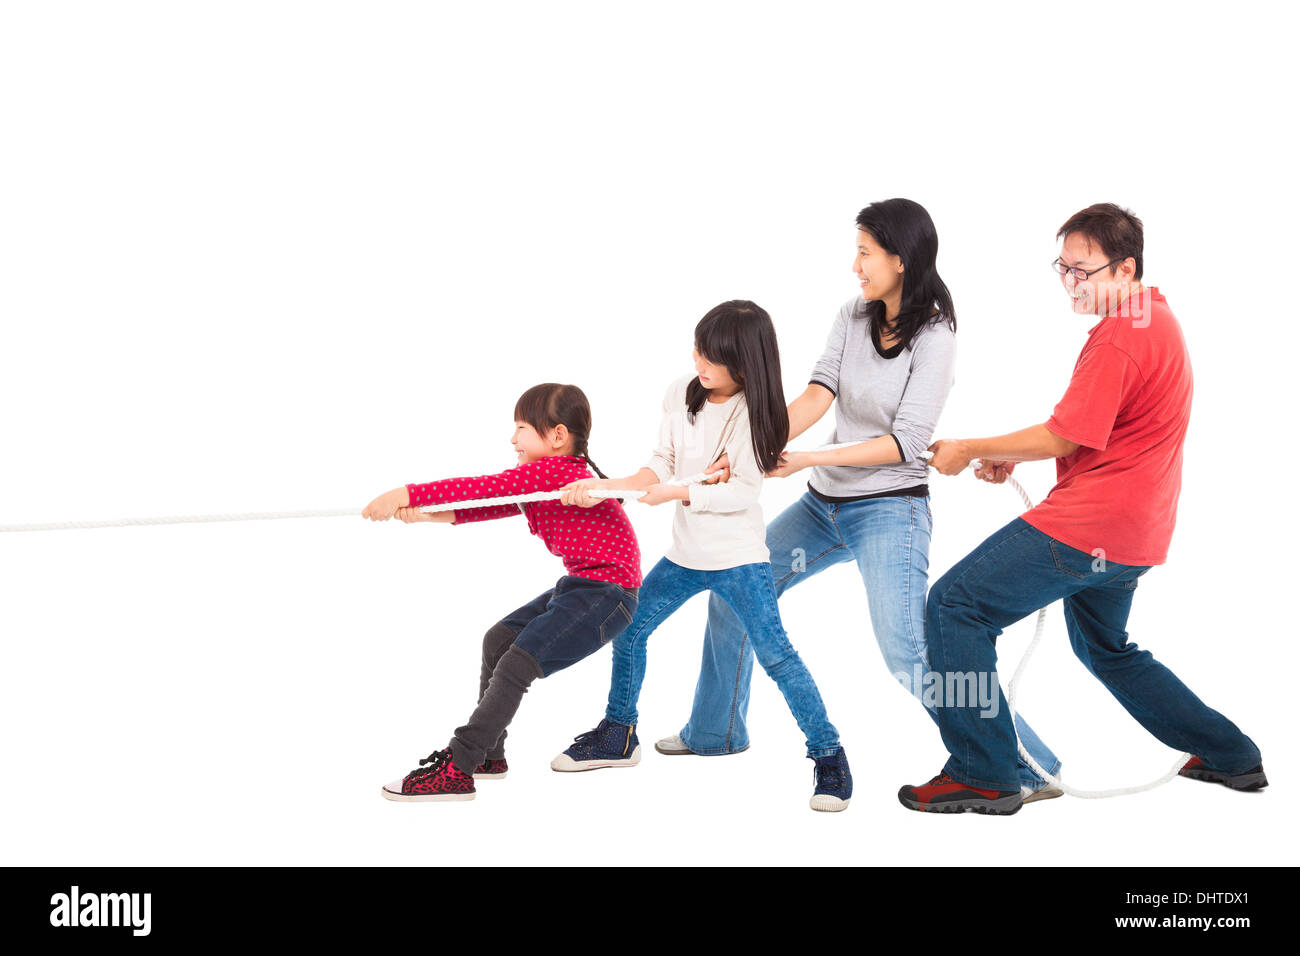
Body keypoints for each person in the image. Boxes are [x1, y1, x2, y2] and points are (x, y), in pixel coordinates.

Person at [662, 199, 1062, 800]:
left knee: (907, 650)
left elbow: (906, 443)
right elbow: (819, 392)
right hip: (824, 506)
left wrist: (806, 459)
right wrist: (753, 446)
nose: (855, 265)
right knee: (733, 589)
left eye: (865, 253)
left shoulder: (936, 337)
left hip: (890, 511)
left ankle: (1028, 763)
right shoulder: (853, 315)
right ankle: (715, 730)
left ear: (900, 261)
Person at [898, 203, 1267, 815]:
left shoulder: (1121, 336)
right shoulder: (1158, 318)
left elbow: (1065, 436)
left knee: (955, 607)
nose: (1070, 282)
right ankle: (1230, 754)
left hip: (1088, 528)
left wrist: (971, 448)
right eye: (1062, 268)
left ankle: (984, 773)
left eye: (1083, 270)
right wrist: (1019, 457)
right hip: (1135, 534)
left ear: (1126, 270)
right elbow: (1098, 431)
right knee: (1106, 648)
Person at [552, 301, 853, 811]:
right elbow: (661, 463)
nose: (700, 362)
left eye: (713, 357)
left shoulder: (758, 413)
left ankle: (829, 756)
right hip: (686, 556)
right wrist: (608, 487)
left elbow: (741, 493)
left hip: (740, 559)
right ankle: (619, 733)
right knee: (629, 627)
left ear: (745, 364)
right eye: (698, 349)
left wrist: (678, 495)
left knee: (778, 656)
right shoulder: (680, 394)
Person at [363, 383, 643, 802]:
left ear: (557, 437)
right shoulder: (545, 479)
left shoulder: (557, 471)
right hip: (584, 586)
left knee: (517, 662)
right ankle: (489, 755)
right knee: (499, 639)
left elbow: (483, 488)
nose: (513, 439)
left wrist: (404, 493)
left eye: (522, 428)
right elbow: (488, 505)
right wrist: (422, 516)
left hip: (608, 593)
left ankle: (459, 765)